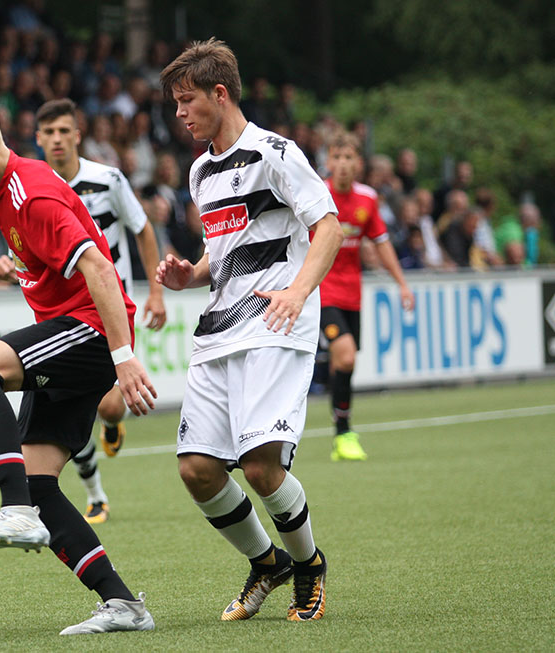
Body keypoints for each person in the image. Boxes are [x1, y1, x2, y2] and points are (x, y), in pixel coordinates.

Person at [0, 86, 156, 636]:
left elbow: (100, 271)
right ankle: (124, 606)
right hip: (79, 332)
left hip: (92, 331)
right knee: (41, 481)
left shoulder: (31, 194)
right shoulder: (4, 192)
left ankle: (15, 510)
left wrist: (123, 358)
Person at [156, 38, 344, 623]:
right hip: (218, 331)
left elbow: (329, 227)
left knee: (261, 466)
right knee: (197, 469)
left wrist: (297, 291)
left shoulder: (276, 153)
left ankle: (308, 564)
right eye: (175, 104)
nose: (180, 113)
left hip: (273, 324)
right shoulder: (200, 171)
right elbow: (227, 249)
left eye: (187, 101)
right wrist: (192, 274)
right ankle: (267, 562)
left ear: (220, 93)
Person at [35, 97, 167, 525]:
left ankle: (113, 425)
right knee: (70, 406)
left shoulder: (107, 179)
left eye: (63, 131)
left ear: (77, 135)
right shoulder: (32, 187)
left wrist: (156, 292)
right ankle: (95, 495)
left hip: (111, 310)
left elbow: (143, 229)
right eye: (48, 132)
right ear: (38, 139)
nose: (57, 139)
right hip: (61, 313)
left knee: (109, 408)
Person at [319, 131, 415, 461]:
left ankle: (338, 430)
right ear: (328, 161)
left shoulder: (368, 199)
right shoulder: (316, 193)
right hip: (320, 290)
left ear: (358, 164)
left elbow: (381, 242)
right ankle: (345, 434)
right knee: (345, 356)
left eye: (349, 159)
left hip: (352, 294)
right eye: (337, 158)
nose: (342, 165)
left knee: (342, 361)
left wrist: (401, 283)